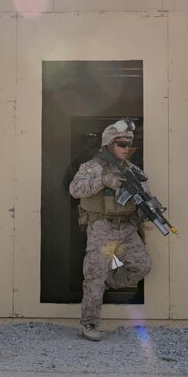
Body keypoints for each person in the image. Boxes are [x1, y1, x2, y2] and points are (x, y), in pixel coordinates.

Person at [68, 118, 152, 342]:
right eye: (122, 144)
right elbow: (75, 189)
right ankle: (90, 323)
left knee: (141, 265)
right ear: (109, 144)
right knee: (94, 273)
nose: (127, 149)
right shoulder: (92, 167)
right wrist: (104, 180)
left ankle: (108, 283)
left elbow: (145, 195)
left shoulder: (133, 170)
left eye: (129, 144)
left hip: (125, 228)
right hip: (102, 228)